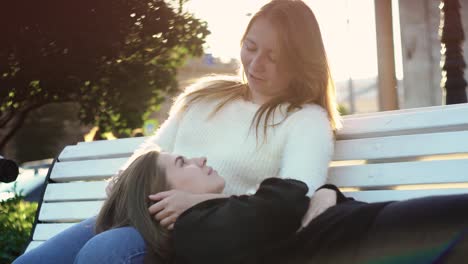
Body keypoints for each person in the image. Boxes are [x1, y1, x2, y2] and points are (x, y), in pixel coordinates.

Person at [14, 0, 341, 263]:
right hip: (138, 217)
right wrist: (133, 191)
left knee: (106, 252)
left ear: (299, 61)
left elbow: (299, 198)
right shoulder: (205, 96)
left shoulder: (305, 120)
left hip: (201, 238)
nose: (255, 65)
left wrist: (199, 205)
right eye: (251, 47)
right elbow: (151, 154)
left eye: (273, 57)